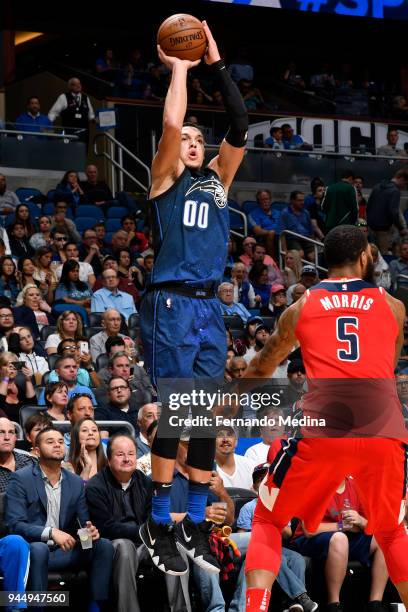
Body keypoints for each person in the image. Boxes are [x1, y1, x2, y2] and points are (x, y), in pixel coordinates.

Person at [242, 225, 408, 612]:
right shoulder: (393, 307)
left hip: (325, 430)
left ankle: (254, 608)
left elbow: (264, 367)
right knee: (392, 530)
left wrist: (229, 403)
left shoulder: (300, 307)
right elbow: (388, 362)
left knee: (267, 520)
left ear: (325, 261)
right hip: (383, 430)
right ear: (366, 256)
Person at [138, 20, 247, 577]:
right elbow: (174, 119)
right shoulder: (164, 180)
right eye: (187, 142)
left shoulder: (218, 185)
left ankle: (197, 523)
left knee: (205, 416)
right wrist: (181, 68)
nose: (194, 143)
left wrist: (217, 65)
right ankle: (158, 521)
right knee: (180, 410)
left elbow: (240, 123)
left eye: (200, 142)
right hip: (171, 303)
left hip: (210, 308)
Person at [5, 427, 114, 609]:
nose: (57, 445)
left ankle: (95, 607)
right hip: (35, 549)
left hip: (64, 551)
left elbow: (82, 523)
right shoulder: (20, 479)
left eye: (60, 442)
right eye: (50, 442)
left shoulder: (75, 482)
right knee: (39, 549)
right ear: (37, 451)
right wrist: (51, 532)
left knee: (103, 546)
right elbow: (14, 525)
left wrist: (89, 533)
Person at [291, 477, 388, 611]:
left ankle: (375, 603)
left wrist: (360, 520)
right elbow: (309, 530)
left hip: (346, 536)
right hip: (309, 540)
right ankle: (334, 604)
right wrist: (340, 526)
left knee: (384, 538)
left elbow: (372, 525)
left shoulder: (355, 485)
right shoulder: (315, 484)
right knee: (340, 539)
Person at [85, 434, 153, 612]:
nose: (127, 459)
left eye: (131, 454)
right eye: (120, 454)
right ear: (109, 459)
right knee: (125, 546)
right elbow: (105, 527)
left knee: (171, 547)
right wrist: (142, 532)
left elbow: (152, 517)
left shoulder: (144, 482)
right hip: (114, 543)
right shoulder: (96, 486)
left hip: (144, 542)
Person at [237, 462, 317, 612]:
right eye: (260, 480)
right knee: (273, 558)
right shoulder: (248, 507)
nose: (265, 483)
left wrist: (273, 523)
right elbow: (242, 537)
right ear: (255, 487)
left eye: (267, 479)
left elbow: (287, 534)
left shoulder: (281, 507)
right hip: (256, 547)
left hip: (278, 545)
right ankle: (300, 597)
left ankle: (292, 604)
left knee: (297, 559)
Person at [367, 168, 408, 254]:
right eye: (405, 183)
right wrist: (401, 228)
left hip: (371, 227)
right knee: (384, 256)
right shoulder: (395, 191)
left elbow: (368, 206)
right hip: (384, 230)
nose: (405, 187)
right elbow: (393, 212)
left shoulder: (377, 186)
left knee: (372, 255)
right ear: (401, 179)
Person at [48, 77, 95, 143]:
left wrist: (100, 121)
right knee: (69, 152)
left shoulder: (86, 98)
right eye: (75, 84)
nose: (78, 86)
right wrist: (48, 125)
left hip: (83, 134)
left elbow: (91, 116)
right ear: (70, 86)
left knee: (83, 152)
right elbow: (53, 113)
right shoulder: (63, 97)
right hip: (69, 133)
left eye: (79, 84)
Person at [0, 352, 36, 423]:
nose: (11, 368)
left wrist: (28, 380)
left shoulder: (21, 387)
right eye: (5, 365)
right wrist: (6, 377)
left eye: (14, 365)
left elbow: (32, 407)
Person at [215, 425, 255, 489]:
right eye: (220, 435)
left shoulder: (251, 465)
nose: (225, 439)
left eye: (229, 435)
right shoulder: (205, 470)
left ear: (236, 441)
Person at [0, 417, 33, 492]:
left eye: (11, 432)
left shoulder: (31, 462)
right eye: (1, 432)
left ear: (15, 438)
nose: (7, 437)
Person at [277, 191, 314, 256]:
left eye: (303, 200)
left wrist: (313, 244)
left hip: (306, 238)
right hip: (292, 239)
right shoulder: (285, 213)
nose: (302, 203)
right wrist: (285, 252)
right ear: (292, 201)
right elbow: (281, 234)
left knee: (313, 256)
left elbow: (311, 231)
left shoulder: (306, 212)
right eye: (299, 200)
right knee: (300, 254)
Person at [248, 189, 281, 256]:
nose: (265, 201)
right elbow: (257, 231)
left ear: (270, 200)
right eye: (262, 200)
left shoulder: (278, 213)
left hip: (280, 236)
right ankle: (272, 259)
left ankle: (284, 259)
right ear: (258, 202)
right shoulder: (253, 214)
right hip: (263, 238)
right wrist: (271, 232)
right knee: (272, 234)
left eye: (267, 199)